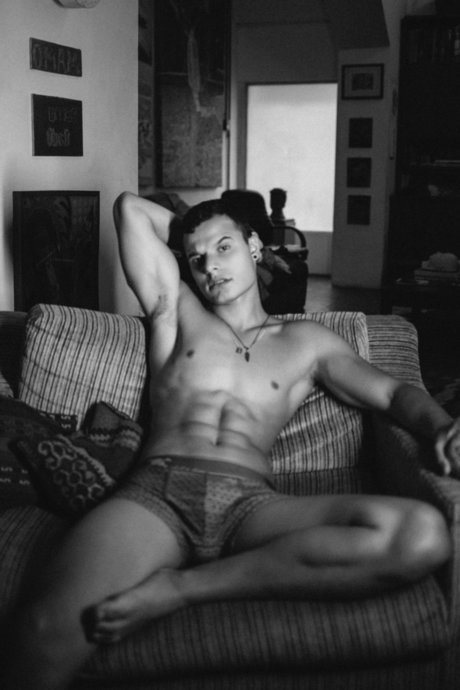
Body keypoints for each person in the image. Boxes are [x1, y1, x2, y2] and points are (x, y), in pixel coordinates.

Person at [5, 192, 460, 689]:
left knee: (422, 534)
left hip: (250, 506)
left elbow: (393, 393)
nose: (210, 266)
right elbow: (129, 209)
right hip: (158, 493)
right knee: (44, 629)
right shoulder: (176, 311)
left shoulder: (305, 341)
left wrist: (442, 427)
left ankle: (184, 589)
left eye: (225, 248)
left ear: (255, 247)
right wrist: (200, 231)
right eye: (197, 258)